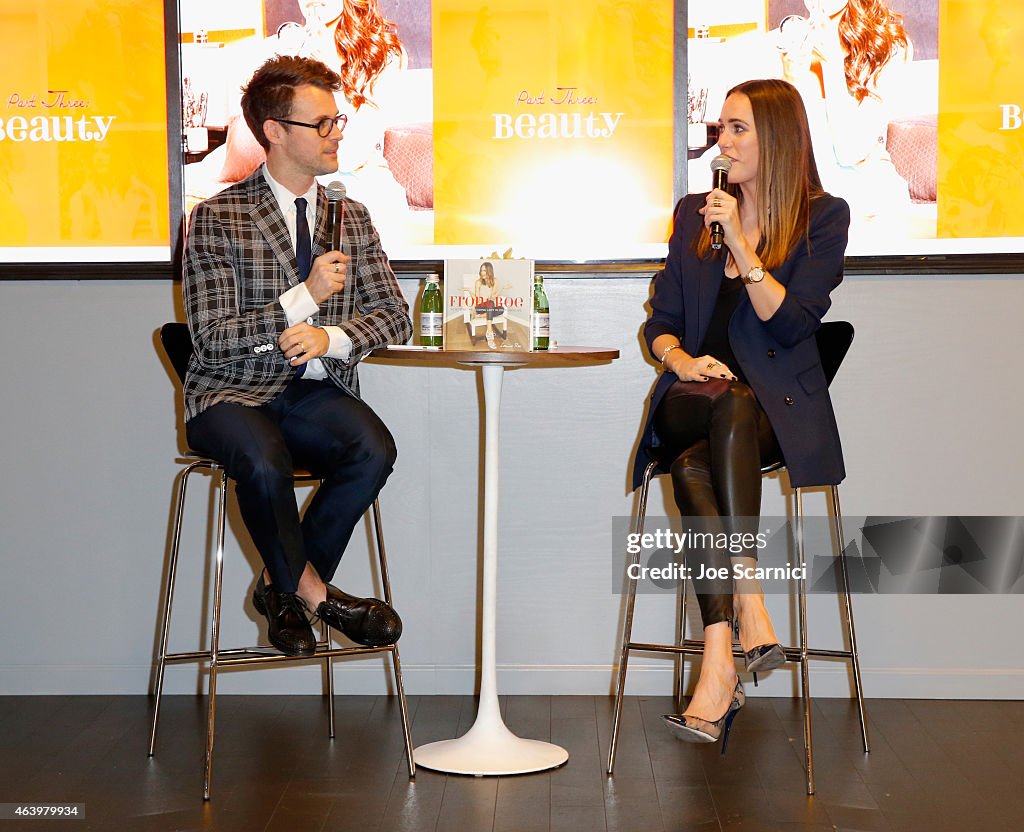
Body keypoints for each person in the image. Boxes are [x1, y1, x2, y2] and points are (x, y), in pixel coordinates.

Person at [635, 78, 849, 745]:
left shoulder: (822, 218)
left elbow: (790, 326)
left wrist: (743, 247)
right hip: (687, 401)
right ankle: (752, 599)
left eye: (737, 130)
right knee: (719, 402)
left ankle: (720, 661)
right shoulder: (693, 212)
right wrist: (680, 361)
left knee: (697, 469)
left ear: (778, 139)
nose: (721, 144)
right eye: (720, 129)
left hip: (763, 420)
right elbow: (661, 323)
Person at [182, 55, 412, 657]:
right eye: (324, 124)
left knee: (373, 449)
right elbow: (211, 338)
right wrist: (302, 300)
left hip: (312, 392)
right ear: (276, 131)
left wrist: (331, 338)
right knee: (262, 459)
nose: (338, 134)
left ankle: (277, 590)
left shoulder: (352, 216)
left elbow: (394, 315)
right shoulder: (214, 217)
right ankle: (314, 595)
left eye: (338, 121)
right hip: (229, 392)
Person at [777, 0, 912, 219]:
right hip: (805, 192)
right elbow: (776, 144)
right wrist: (788, 82)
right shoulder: (787, 42)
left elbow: (851, 151)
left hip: (866, 196)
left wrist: (833, 65)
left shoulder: (889, 46)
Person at [472, 261, 511, 348]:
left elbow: (493, 296)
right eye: (481, 270)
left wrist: (502, 288)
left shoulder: (495, 281)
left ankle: (483, 316)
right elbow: (478, 299)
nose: (482, 273)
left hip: (489, 306)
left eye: (485, 270)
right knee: (490, 303)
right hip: (480, 307)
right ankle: (489, 332)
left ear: (489, 271)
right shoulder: (478, 282)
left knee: (501, 309)